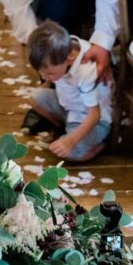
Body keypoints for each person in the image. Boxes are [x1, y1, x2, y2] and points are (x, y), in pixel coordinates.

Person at [27, 21, 112, 163]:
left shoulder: (86, 72)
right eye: (40, 73)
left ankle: (101, 144)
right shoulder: (64, 46)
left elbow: (94, 115)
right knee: (35, 98)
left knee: (71, 153)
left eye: (49, 73)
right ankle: (64, 128)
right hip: (69, 107)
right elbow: (49, 75)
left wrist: (70, 141)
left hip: (91, 119)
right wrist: (49, 80)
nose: (43, 77)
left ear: (69, 60)